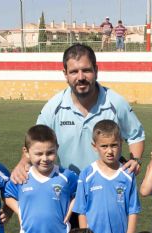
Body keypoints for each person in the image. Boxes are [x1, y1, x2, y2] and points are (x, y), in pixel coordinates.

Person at [11, 43, 144, 183]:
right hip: (68, 187)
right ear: (65, 74)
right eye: (74, 72)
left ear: (96, 70)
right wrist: (22, 163)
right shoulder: (53, 107)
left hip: (108, 185)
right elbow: (36, 141)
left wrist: (135, 160)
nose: (81, 77)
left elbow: (136, 136)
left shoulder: (116, 103)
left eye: (86, 70)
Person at [73, 120, 141, 233]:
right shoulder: (87, 175)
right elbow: (81, 211)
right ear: (94, 146)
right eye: (104, 146)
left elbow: (133, 211)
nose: (109, 151)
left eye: (114, 145)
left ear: (121, 144)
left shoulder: (127, 175)